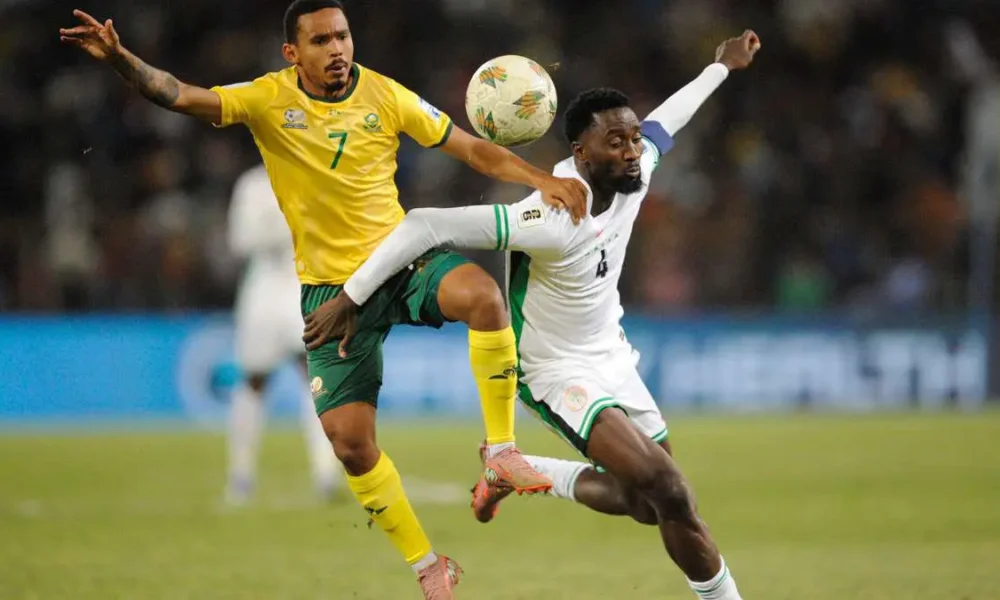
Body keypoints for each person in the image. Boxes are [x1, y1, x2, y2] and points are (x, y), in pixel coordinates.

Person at [60, 2, 588, 596]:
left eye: (343, 36)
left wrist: (541, 179)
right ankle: (428, 567)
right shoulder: (266, 98)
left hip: (400, 261)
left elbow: (472, 150)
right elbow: (180, 95)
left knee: (484, 297)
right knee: (351, 444)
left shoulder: (386, 95)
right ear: (293, 53)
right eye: (320, 41)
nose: (337, 49)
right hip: (330, 292)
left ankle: (500, 453)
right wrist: (121, 59)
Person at [313, 31, 760, 600]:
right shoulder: (548, 216)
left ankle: (527, 474)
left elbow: (668, 121)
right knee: (670, 490)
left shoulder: (633, 173)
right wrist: (350, 297)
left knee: (647, 505)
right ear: (581, 154)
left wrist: (721, 66)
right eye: (615, 141)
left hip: (611, 355)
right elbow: (424, 224)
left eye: (631, 139)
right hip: (553, 370)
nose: (631, 149)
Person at [225, 164, 340, 506]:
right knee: (254, 379)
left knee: (314, 376)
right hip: (261, 293)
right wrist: (284, 225)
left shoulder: (314, 173)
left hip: (301, 287)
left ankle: (325, 474)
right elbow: (239, 241)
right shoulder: (252, 184)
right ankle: (241, 476)